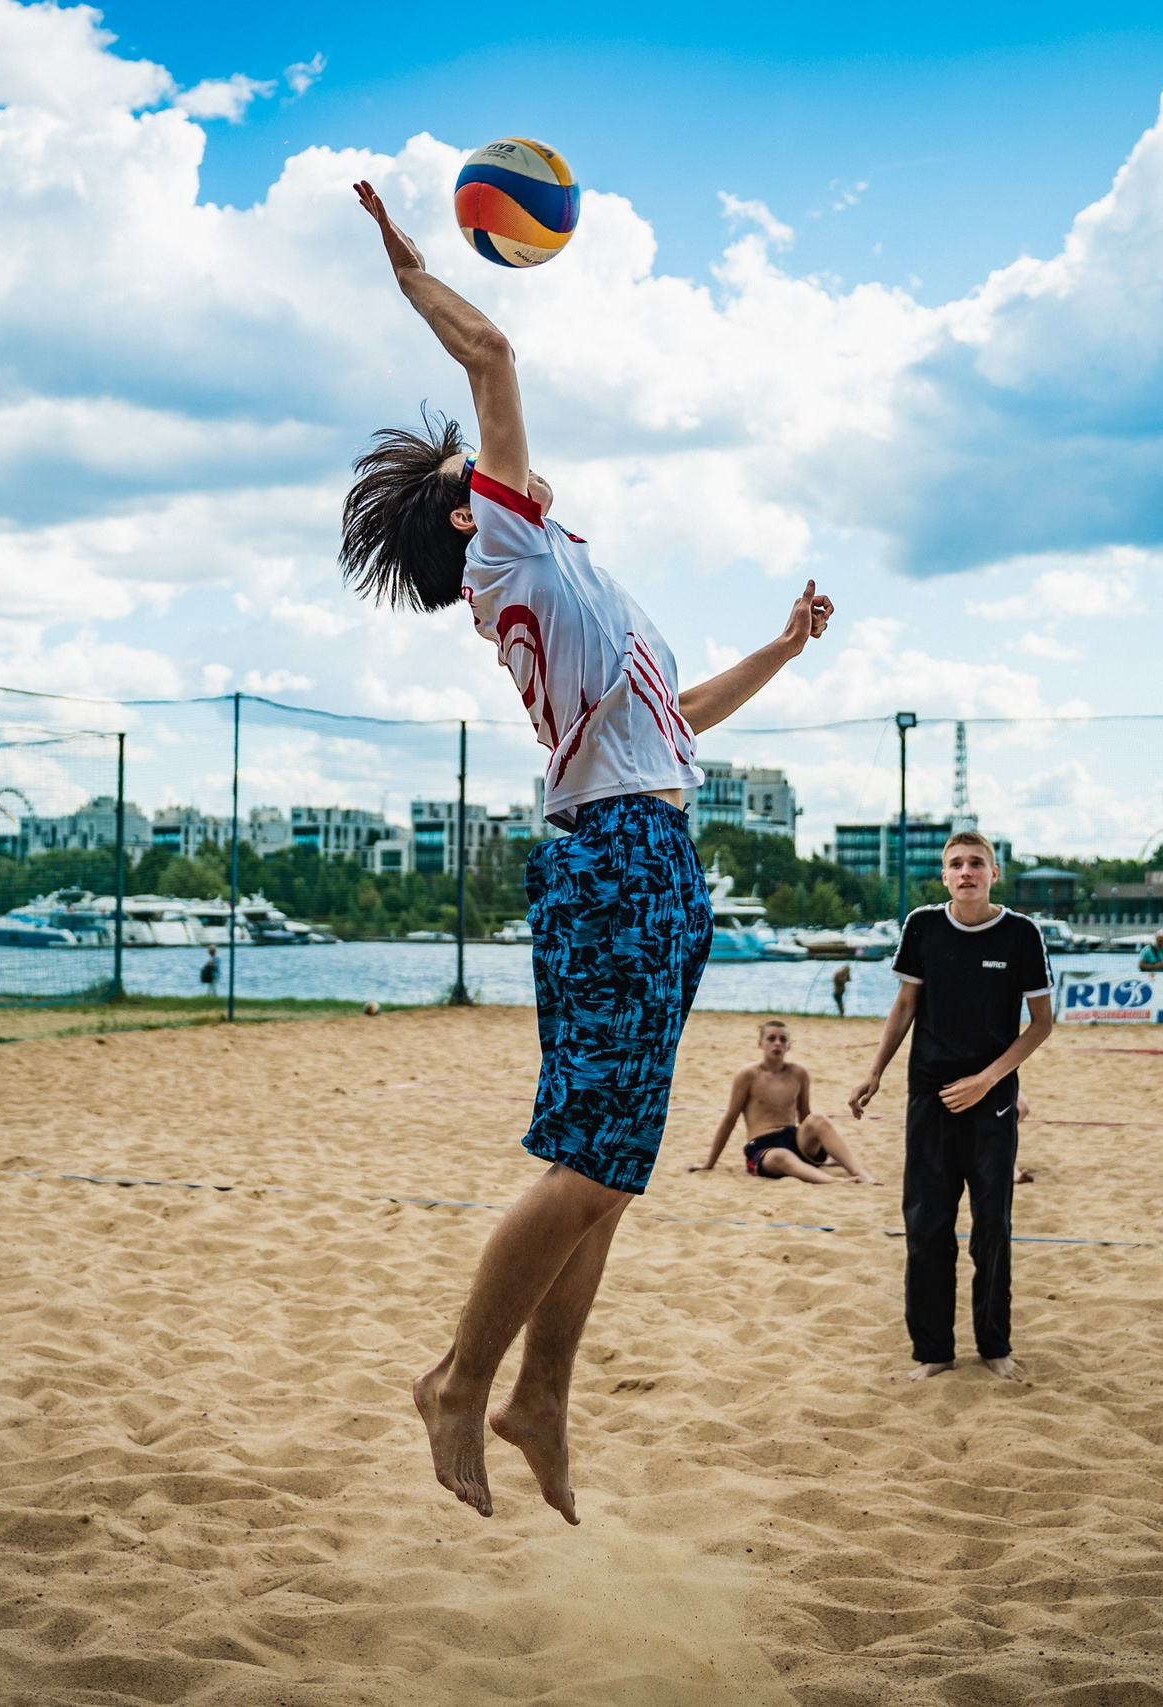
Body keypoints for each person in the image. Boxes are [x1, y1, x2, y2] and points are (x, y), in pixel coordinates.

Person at [346, 178, 833, 1523]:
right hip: (613, 857)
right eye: (473, 470)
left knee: (612, 1168)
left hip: (655, 850)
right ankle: (460, 1379)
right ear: (467, 512)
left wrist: (784, 650)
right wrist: (411, 275)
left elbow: (687, 721)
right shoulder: (504, 548)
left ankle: (540, 1397)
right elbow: (493, 352)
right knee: (596, 1158)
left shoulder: (567, 568)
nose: (495, 462)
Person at [850, 831, 1055, 1382]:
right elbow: (905, 1004)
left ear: (994, 874)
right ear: (944, 876)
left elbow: (1042, 1024)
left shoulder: (1021, 934)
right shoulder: (922, 926)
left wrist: (988, 1081)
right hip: (930, 1100)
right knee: (927, 1227)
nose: (966, 872)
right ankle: (934, 1350)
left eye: (977, 864)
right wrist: (874, 1072)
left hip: (991, 1104)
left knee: (993, 1227)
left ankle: (994, 1344)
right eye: (956, 864)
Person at [690, 1019, 879, 1184]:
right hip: (763, 1147)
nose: (777, 1044)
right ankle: (836, 1182)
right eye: (771, 1039)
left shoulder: (799, 1072)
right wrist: (709, 1163)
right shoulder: (747, 1074)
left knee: (818, 1119)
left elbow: (805, 1116)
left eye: (783, 1039)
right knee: (782, 1156)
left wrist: (826, 1154)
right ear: (760, 1044)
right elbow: (730, 1119)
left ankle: (860, 1173)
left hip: (794, 1139)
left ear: (789, 1045)